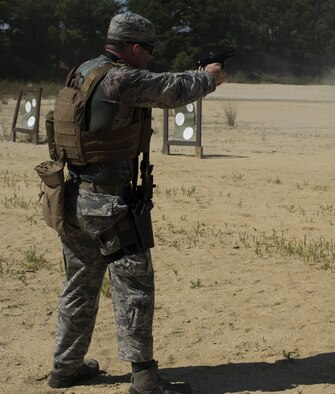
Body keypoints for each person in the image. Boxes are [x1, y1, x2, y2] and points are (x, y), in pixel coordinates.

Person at [46, 12, 224, 394]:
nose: (150, 57)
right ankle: (144, 378)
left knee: (79, 283)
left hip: (72, 197)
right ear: (134, 47)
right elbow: (173, 90)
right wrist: (210, 76)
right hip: (108, 204)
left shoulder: (84, 71)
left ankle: (65, 366)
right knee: (134, 288)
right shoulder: (121, 77)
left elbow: (153, 83)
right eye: (149, 50)